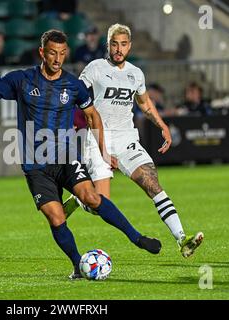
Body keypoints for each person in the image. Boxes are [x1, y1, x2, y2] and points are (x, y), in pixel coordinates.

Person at [0, 29, 161, 279]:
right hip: (36, 165)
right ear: (42, 53)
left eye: (62, 53)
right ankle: (79, 265)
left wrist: (103, 150)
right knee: (56, 216)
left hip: (66, 157)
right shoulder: (21, 80)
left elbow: (92, 115)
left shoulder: (73, 85)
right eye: (52, 53)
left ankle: (137, 238)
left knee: (90, 197)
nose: (57, 59)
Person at [64, 24, 204, 258]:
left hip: (127, 138)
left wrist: (162, 125)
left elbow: (145, 104)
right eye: (114, 44)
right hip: (98, 137)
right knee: (101, 204)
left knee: (152, 184)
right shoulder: (95, 68)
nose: (119, 49)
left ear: (130, 46)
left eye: (123, 44)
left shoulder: (135, 73)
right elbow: (75, 97)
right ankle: (80, 199)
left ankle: (182, 239)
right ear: (108, 45)